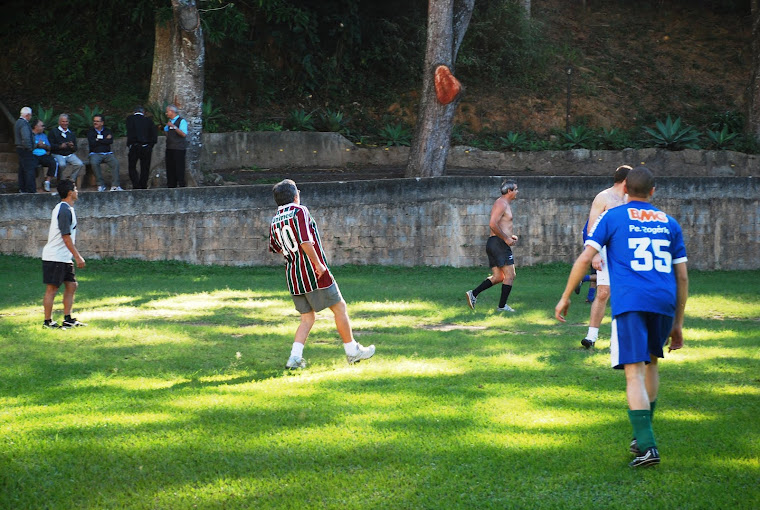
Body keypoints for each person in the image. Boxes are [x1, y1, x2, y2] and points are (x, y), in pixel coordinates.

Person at [555, 166, 688, 468]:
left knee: (633, 373)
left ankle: (648, 447)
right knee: (652, 363)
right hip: (664, 300)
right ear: (653, 191)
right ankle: (641, 436)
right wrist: (678, 323)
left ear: (625, 190)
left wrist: (565, 297)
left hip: (631, 301)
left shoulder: (613, 217)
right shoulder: (670, 223)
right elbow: (682, 277)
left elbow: (586, 257)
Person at [268, 179, 376, 369]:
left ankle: (294, 358)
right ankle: (352, 351)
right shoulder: (300, 211)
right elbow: (304, 240)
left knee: (307, 318)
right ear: (295, 196)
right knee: (339, 307)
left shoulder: (275, 219)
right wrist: (318, 263)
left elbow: (276, 248)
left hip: (293, 276)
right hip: (312, 272)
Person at [579, 164, 631, 348]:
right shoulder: (603, 197)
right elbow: (591, 227)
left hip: (626, 252)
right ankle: (591, 336)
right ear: (625, 180)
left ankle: (621, 338)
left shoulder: (629, 198)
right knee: (603, 292)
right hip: (606, 250)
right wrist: (594, 254)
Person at [465, 179, 520, 312]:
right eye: (516, 189)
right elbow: (492, 223)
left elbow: (500, 225)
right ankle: (502, 307)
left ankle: (473, 293)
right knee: (510, 275)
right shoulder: (501, 203)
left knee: (498, 277)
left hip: (495, 243)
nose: (518, 192)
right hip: (498, 243)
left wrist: (509, 236)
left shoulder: (504, 203)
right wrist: (506, 238)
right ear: (509, 191)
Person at [42, 180, 88, 330]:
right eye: (75, 189)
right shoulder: (64, 210)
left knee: (72, 285)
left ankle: (68, 319)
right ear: (70, 193)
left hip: (63, 257)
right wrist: (77, 256)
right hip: (55, 256)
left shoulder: (67, 208)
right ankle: (47, 322)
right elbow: (65, 236)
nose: (77, 191)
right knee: (52, 289)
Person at [87, 114, 122, 191]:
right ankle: (100, 184)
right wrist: (104, 140)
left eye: (97, 121)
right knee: (94, 163)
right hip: (95, 153)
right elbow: (92, 143)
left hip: (107, 153)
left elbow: (110, 141)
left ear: (102, 123)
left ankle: (115, 185)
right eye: (94, 121)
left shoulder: (107, 131)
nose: (95, 123)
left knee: (115, 163)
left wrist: (98, 140)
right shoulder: (90, 132)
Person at [126, 105, 158, 189]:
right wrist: (150, 145)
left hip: (134, 146)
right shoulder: (149, 121)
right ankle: (143, 185)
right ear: (143, 112)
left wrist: (130, 144)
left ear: (134, 112)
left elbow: (129, 132)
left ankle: (136, 185)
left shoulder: (130, 119)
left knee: (132, 166)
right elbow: (154, 135)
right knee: (145, 167)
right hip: (146, 146)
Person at [48, 114, 85, 185]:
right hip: (58, 154)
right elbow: (50, 146)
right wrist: (60, 146)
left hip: (69, 154)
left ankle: (71, 179)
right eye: (63, 121)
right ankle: (60, 179)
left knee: (79, 164)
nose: (65, 123)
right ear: (59, 122)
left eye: (66, 121)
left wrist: (72, 146)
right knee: (62, 164)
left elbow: (75, 148)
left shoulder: (71, 133)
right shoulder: (53, 132)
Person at [164, 105, 188, 188]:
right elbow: (167, 134)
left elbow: (183, 134)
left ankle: (181, 185)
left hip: (179, 148)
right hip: (170, 148)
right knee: (170, 168)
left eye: (167, 111)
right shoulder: (169, 122)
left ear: (172, 111)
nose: (166, 113)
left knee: (179, 168)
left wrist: (173, 127)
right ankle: (171, 185)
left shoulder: (182, 121)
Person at [32, 119, 59, 192]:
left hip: (43, 155)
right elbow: (28, 146)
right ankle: (33, 184)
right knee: (32, 166)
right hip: (33, 155)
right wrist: (37, 145)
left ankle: (47, 181)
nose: (43, 127)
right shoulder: (30, 135)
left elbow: (49, 147)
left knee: (53, 162)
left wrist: (44, 146)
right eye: (42, 126)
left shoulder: (43, 135)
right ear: (36, 126)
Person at [15, 106, 36, 193]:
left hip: (20, 148)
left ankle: (22, 188)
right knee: (29, 170)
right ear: (27, 115)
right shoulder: (24, 124)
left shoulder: (17, 123)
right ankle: (30, 190)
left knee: (22, 170)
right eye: (30, 115)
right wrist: (30, 148)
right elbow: (26, 138)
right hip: (25, 149)